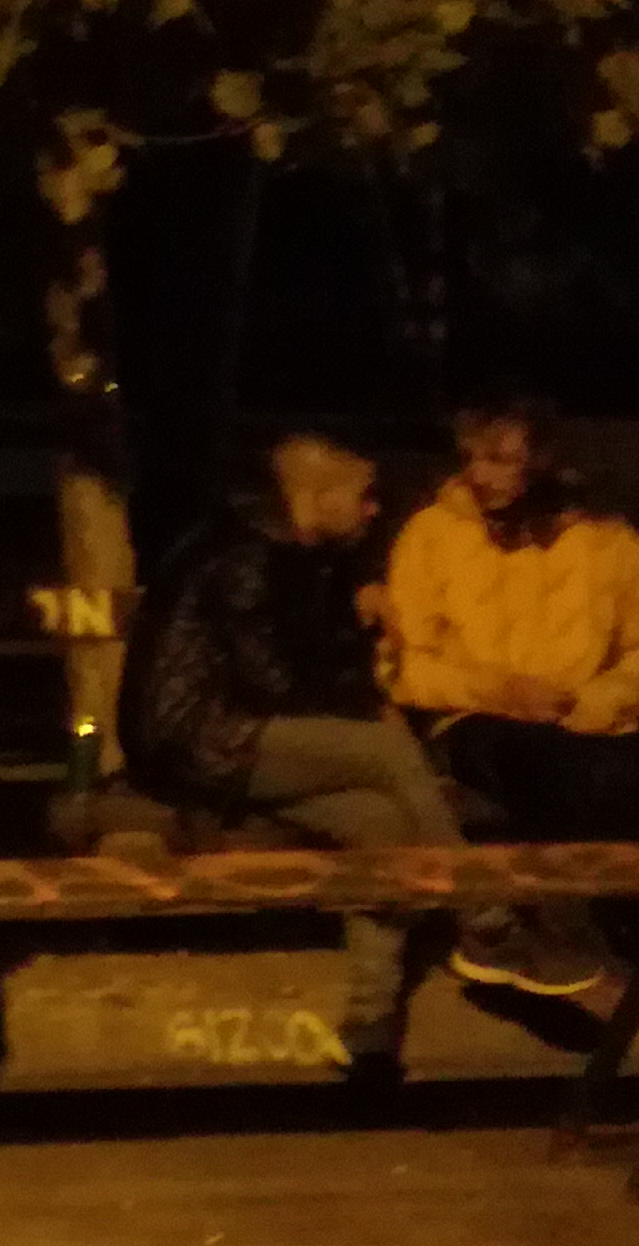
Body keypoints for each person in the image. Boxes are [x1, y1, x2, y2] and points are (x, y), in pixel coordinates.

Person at [123, 435, 602, 1052]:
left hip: (241, 741)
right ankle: (488, 922)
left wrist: (357, 616)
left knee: (381, 825)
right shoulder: (246, 557)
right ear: (319, 496)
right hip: (196, 740)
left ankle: (370, 1020)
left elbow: (308, 668)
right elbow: (278, 684)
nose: (374, 510)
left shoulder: (297, 553)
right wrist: (359, 660)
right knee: (383, 748)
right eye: (364, 496)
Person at [387, 400, 639, 845]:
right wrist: (500, 692)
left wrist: (601, 698)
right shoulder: (432, 534)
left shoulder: (606, 538)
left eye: (499, 461)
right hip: (476, 719)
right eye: (469, 458)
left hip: (589, 720)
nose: (478, 475)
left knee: (599, 754)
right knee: (541, 755)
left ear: (543, 462)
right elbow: (403, 663)